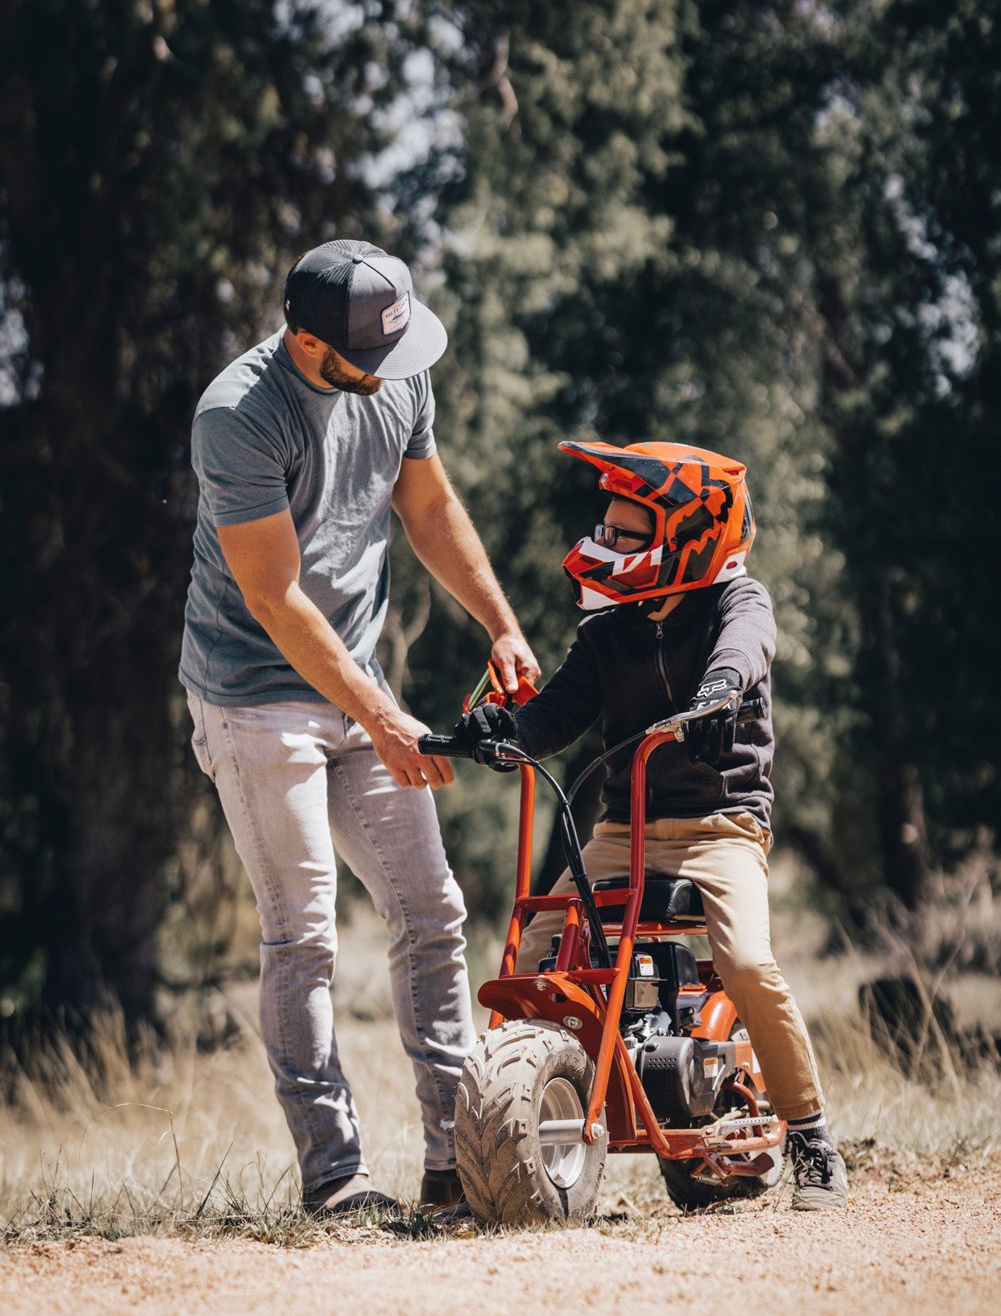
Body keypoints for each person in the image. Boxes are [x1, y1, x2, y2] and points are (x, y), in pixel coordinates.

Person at [179, 238, 538, 1216]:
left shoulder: (395, 373)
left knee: (433, 914)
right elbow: (275, 593)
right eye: (361, 360)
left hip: (356, 684)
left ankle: (453, 1164)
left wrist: (498, 620)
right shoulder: (238, 416)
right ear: (301, 338)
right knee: (304, 937)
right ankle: (336, 1180)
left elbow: (426, 504)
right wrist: (382, 719)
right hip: (255, 696)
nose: (385, 375)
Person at [460, 439, 848, 1211]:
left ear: (688, 538)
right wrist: (498, 732)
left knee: (742, 962)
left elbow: (743, 653)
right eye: (603, 529)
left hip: (721, 827)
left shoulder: (738, 602)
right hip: (621, 830)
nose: (604, 545)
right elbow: (554, 716)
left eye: (624, 534)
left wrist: (718, 698)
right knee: (534, 962)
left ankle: (810, 1137)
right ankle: (551, 1110)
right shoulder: (609, 628)